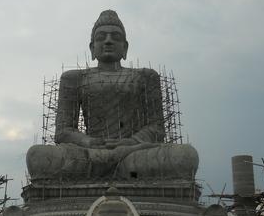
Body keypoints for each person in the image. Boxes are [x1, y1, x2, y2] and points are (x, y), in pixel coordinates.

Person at [26, 10, 199, 182]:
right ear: (92, 48)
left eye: (115, 36)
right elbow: (63, 132)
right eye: (101, 37)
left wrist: (131, 143)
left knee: (185, 155)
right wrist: (89, 143)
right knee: (38, 155)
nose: (108, 41)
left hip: (134, 154)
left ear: (125, 47)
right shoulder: (73, 78)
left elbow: (156, 128)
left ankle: (116, 169)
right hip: (88, 155)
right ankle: (116, 170)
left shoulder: (146, 76)